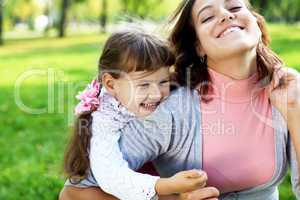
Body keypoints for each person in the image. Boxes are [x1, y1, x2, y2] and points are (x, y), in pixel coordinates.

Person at [60, 0, 300, 199]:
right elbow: (74, 192)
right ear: (198, 46)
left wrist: (294, 109)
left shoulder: (288, 89)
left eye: (235, 7)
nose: (226, 16)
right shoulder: (169, 108)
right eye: (207, 17)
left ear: (257, 24)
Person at [63, 29, 209, 200]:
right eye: (144, 85)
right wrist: (169, 185)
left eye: (163, 81)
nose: (156, 94)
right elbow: (112, 177)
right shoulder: (104, 121)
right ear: (110, 84)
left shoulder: (134, 98)